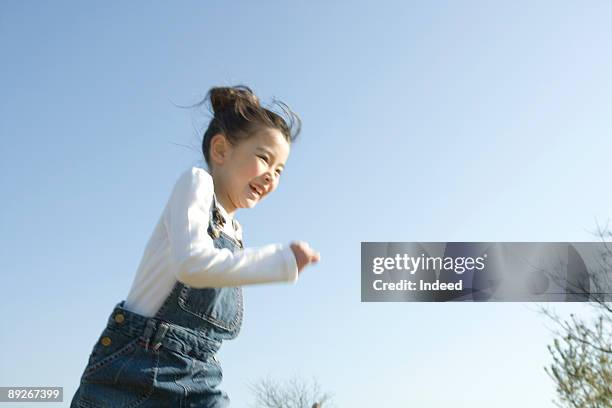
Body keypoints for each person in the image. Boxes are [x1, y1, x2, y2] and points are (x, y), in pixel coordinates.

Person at [70, 85, 320, 407]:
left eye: (279, 170)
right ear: (220, 150)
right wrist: (279, 262)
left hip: (199, 374)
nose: (271, 176)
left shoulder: (235, 231)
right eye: (264, 158)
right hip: (134, 367)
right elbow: (193, 264)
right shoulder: (197, 185)